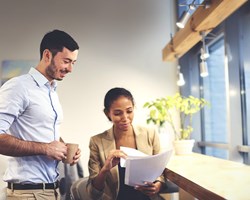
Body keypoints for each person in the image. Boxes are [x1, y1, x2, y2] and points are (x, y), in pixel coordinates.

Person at [0, 29, 81, 200]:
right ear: (47, 55)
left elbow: (41, 134)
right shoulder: (18, 87)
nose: (71, 69)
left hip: (51, 191)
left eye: (74, 62)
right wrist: (45, 148)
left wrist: (64, 149)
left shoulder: (51, 91)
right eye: (66, 61)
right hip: (27, 193)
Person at [86, 87, 165, 200]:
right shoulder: (97, 142)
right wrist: (105, 169)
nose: (125, 118)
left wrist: (157, 185)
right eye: (118, 113)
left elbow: (160, 171)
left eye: (129, 111)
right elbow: (93, 192)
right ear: (107, 113)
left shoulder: (149, 134)